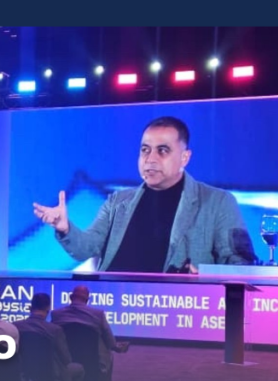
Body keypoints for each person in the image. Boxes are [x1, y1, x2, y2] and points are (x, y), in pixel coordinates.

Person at [32, 116, 256, 273]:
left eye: (162, 151)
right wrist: (64, 228)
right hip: (111, 307)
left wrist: (204, 276)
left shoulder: (217, 202)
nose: (150, 159)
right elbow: (86, 248)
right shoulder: (117, 202)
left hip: (175, 311)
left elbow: (241, 265)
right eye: (145, 150)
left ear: (185, 157)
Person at [13, 293, 84, 381]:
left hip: (23, 373)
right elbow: (66, 359)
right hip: (52, 375)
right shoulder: (55, 330)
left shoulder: (16, 326)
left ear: (30, 307)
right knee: (79, 369)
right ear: (48, 309)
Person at [51, 286, 129, 375]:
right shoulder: (98, 314)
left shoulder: (56, 314)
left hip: (63, 363)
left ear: (71, 298)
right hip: (91, 363)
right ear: (87, 299)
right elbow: (110, 342)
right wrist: (117, 347)